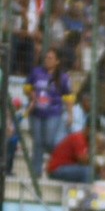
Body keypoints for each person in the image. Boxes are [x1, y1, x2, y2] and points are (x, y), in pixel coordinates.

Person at [25, 47, 73, 179]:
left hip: (53, 113)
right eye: (46, 57)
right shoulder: (36, 72)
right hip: (36, 113)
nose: (47, 60)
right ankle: (36, 172)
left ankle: (57, 162)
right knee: (37, 142)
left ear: (57, 61)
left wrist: (70, 114)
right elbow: (27, 87)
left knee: (49, 140)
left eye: (50, 58)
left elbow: (69, 97)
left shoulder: (63, 77)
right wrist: (31, 93)